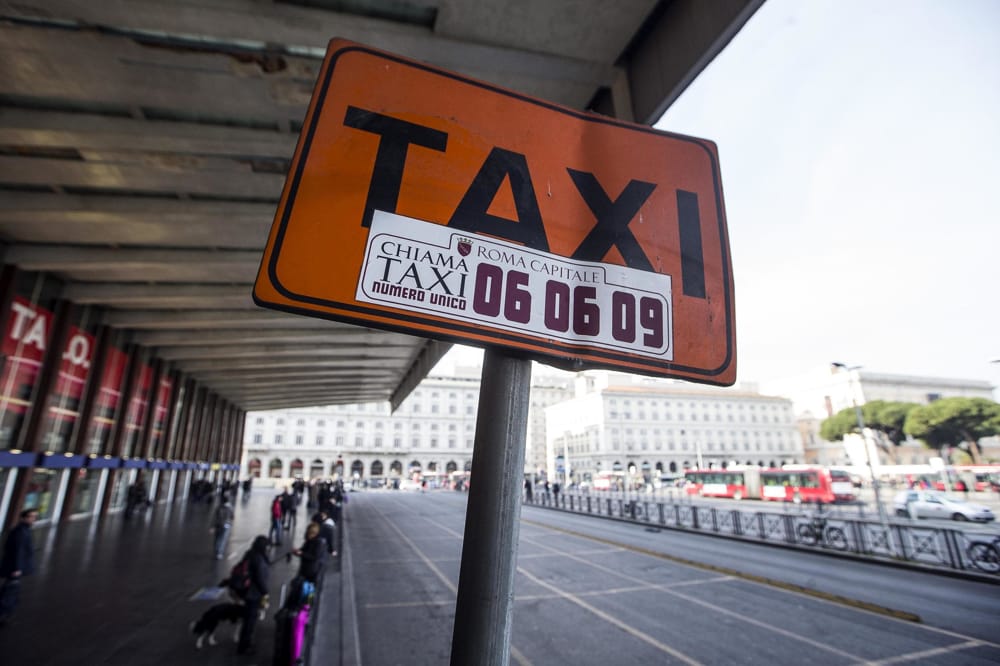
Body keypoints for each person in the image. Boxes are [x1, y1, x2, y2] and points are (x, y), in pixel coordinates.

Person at [0, 508, 38, 624]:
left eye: (35, 517)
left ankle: (5, 611)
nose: (33, 519)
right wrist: (17, 568)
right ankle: (3, 614)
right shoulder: (20, 532)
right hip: (14, 568)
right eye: (31, 517)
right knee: (11, 590)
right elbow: (18, 551)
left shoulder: (23, 530)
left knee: (10, 588)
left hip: (14, 567)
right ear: (23, 518)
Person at [237, 536, 270, 655]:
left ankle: (245, 642)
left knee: (248, 619)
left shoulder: (250, 554)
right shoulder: (259, 558)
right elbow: (259, 578)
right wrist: (265, 592)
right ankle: (244, 646)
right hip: (254, 593)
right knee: (250, 620)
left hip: (247, 592)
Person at [212, 495, 234, 560]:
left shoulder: (219, 507)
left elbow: (215, 517)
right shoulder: (230, 508)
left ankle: (216, 549)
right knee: (223, 539)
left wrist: (212, 526)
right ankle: (219, 552)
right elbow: (232, 517)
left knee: (217, 538)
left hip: (218, 525)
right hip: (226, 525)